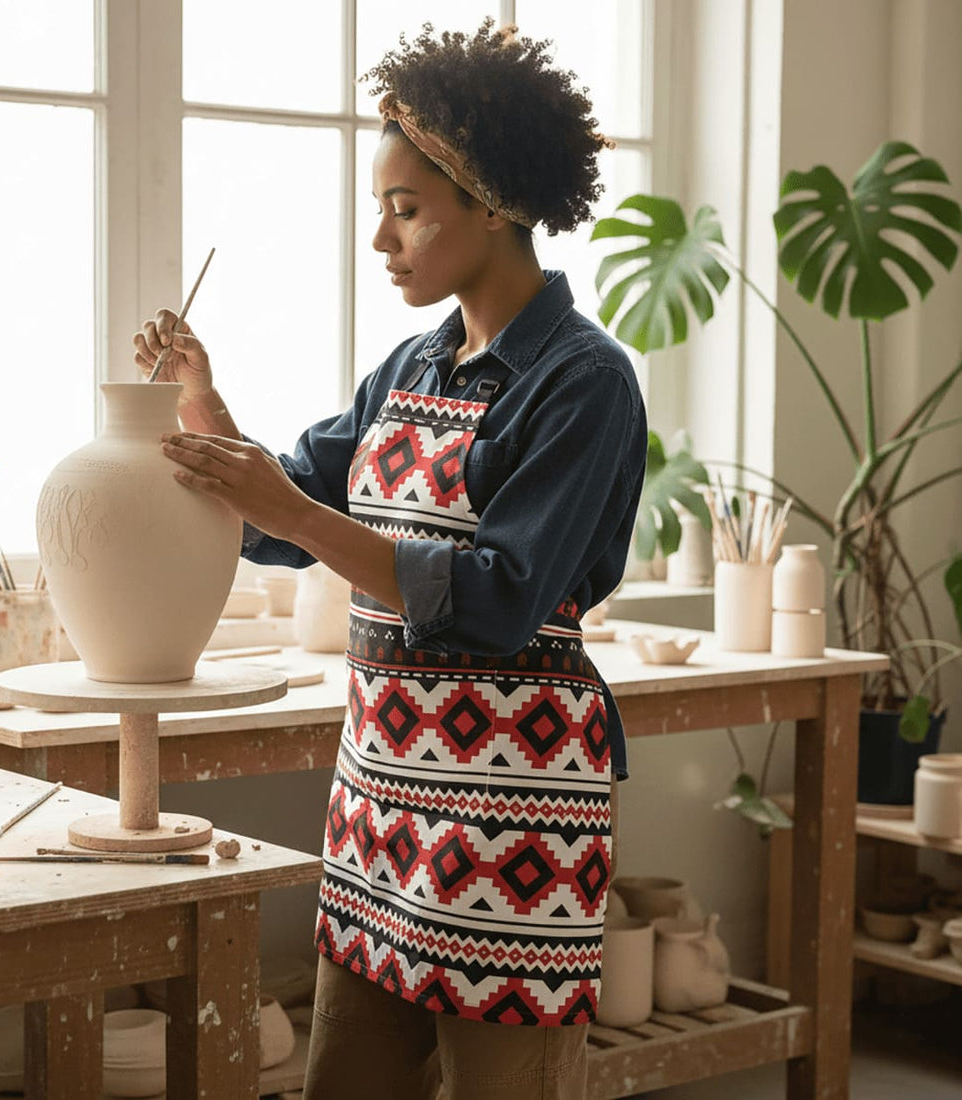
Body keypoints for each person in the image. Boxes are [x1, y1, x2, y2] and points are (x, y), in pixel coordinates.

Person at [134, 20, 647, 1100]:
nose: (381, 238)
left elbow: (500, 600)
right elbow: (280, 516)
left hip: (513, 824)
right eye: (380, 207)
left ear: (496, 201)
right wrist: (198, 399)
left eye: (405, 209)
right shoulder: (408, 366)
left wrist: (292, 505)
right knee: (346, 1079)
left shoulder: (581, 380)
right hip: (379, 802)